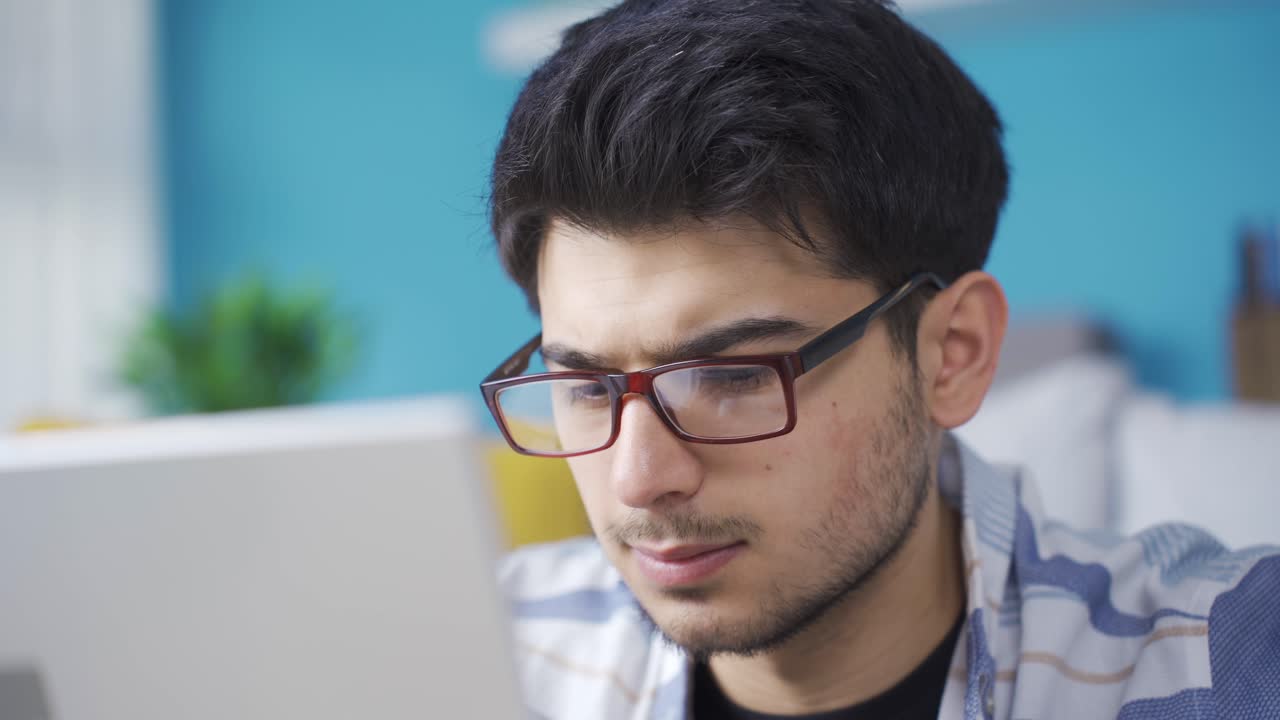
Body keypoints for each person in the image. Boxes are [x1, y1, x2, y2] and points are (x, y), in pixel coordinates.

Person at [478, 1, 1280, 718]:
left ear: (953, 355)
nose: (638, 479)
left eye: (730, 377)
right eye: (585, 385)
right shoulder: (480, 655)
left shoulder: (1226, 662)